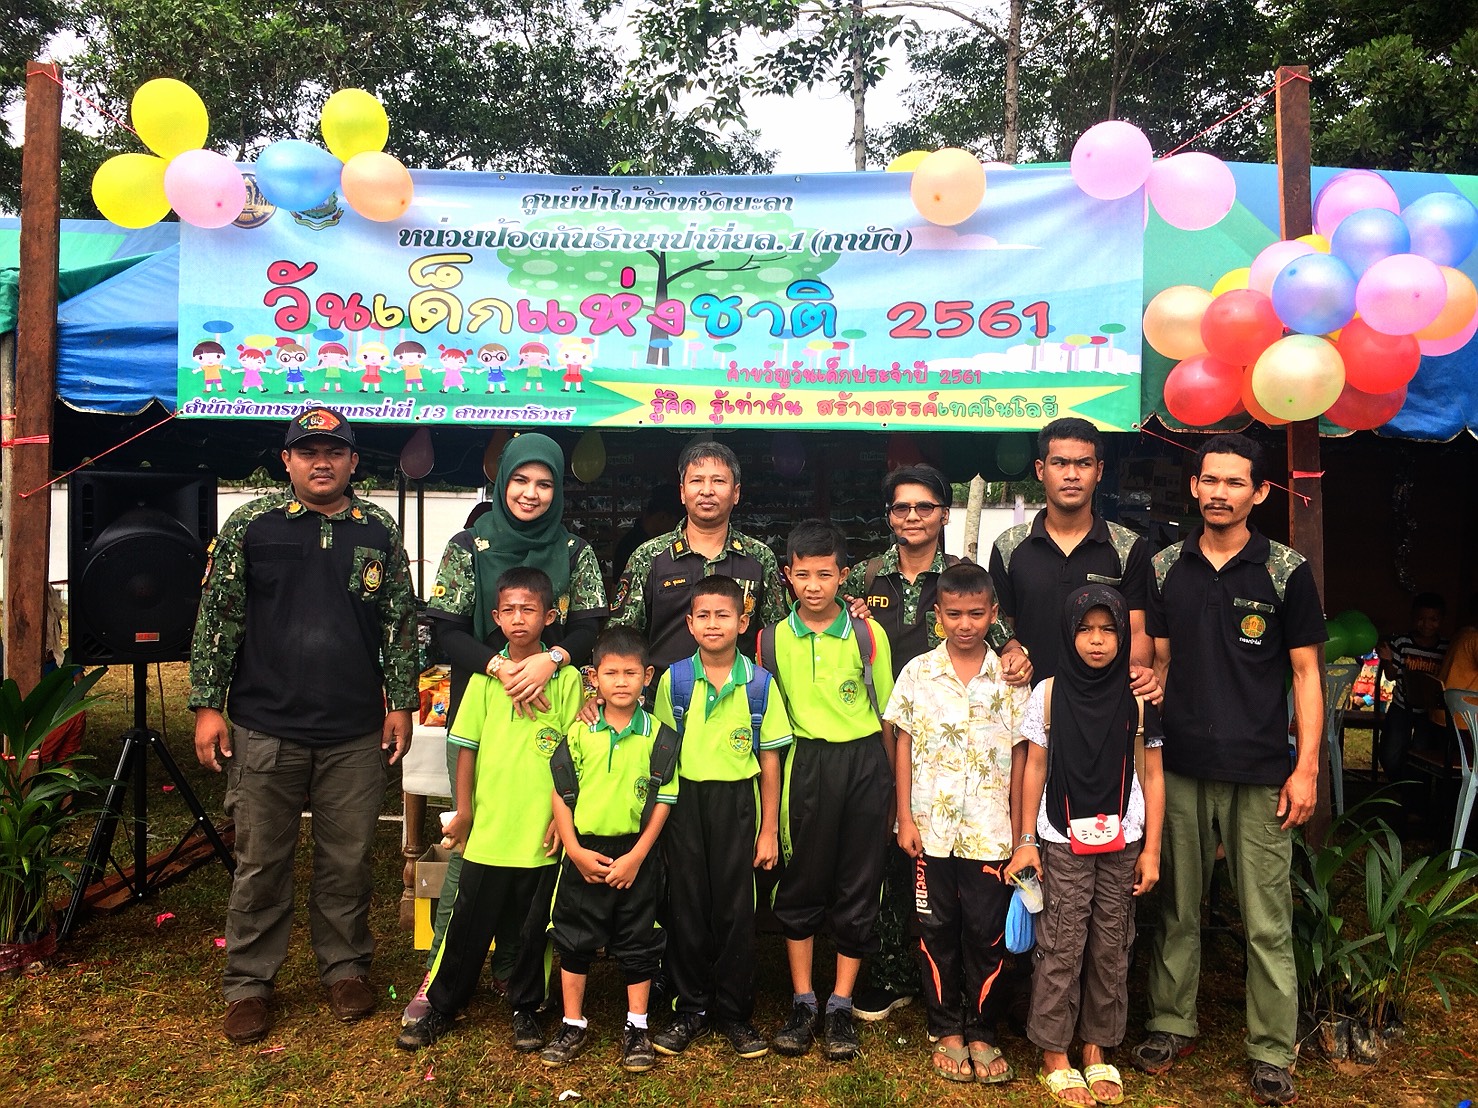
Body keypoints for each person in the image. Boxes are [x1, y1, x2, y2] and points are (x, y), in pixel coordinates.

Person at [189, 407, 417, 1045]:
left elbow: (398, 622)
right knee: (261, 861)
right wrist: (207, 705)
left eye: (335, 452)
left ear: (353, 462)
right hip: (266, 725)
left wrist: (401, 701)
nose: (322, 462)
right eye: (309, 451)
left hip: (353, 731)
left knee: (347, 861)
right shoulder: (251, 525)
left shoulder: (377, 529)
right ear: (286, 460)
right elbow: (218, 618)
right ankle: (249, 983)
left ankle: (345, 968)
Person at [1132, 433, 1325, 1108]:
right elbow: (1159, 661)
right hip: (1180, 764)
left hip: (1262, 769)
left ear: (1259, 492)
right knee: (1178, 907)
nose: (1219, 493)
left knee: (1265, 917)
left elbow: (1306, 674)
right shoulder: (1165, 567)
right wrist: (1147, 687)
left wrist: (1306, 769)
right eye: (1209, 480)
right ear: (1194, 486)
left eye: (1234, 482)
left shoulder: (1284, 570)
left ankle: (1271, 1049)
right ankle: (1169, 1022)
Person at [405, 433, 606, 1025]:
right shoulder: (469, 545)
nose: (531, 493)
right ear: (502, 481)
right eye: (521, 480)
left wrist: (551, 661)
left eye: (545, 483)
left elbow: (591, 626)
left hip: (554, 701)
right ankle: (441, 974)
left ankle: (519, 975)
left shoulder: (574, 550)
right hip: (484, 703)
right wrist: (500, 668)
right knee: (471, 844)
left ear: (558, 490)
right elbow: (445, 629)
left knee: (542, 846)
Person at [842, 463, 1032, 1022]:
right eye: (901, 507)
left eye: (924, 506)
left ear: (944, 514)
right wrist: (846, 615)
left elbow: (1002, 638)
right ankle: (893, 973)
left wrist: (1017, 654)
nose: (913, 516)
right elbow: (821, 620)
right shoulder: (864, 578)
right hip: (873, 733)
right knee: (887, 856)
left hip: (950, 751)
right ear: (889, 516)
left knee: (943, 868)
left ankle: (962, 987)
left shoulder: (963, 577)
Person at [394, 567, 586, 1053]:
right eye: (509, 611)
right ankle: (443, 1004)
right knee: (465, 924)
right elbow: (465, 748)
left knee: (533, 928)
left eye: (529, 610)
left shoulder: (565, 682)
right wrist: (464, 810)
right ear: (496, 617)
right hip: (489, 830)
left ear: (549, 617)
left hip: (540, 833)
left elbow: (572, 756)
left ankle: (526, 1007)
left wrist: (561, 818)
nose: (519, 619)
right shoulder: (484, 680)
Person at [1009, 585, 1164, 1107]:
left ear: (1123, 636)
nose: (1097, 641)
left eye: (1109, 630)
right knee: (1061, 940)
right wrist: (1025, 841)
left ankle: (1097, 1046)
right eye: (1085, 629)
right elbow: (1033, 767)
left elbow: (1154, 775)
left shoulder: (1139, 697)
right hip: (1061, 837)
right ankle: (1054, 1051)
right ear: (1068, 632)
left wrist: (1152, 850)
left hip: (1124, 837)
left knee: (1112, 943)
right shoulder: (1048, 694)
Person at [887, 562, 1029, 1084]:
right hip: (930, 830)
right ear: (937, 615)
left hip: (991, 833)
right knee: (935, 929)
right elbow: (901, 745)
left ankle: (982, 1030)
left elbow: (1022, 757)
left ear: (993, 613)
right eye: (953, 614)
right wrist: (904, 816)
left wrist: (1021, 834)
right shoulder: (918, 673)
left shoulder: (1011, 680)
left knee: (986, 934)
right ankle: (946, 1028)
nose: (964, 624)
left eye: (975, 613)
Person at [762, 520, 895, 1062]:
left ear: (844, 576)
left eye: (825, 574)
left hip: (863, 762)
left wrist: (892, 790)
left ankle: (841, 1003)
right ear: (787, 575)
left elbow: (887, 716)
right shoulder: (771, 638)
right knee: (803, 878)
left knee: (859, 880)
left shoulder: (868, 633)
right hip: (805, 762)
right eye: (803, 575)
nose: (813, 585)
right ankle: (802, 1001)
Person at [648, 576, 792, 1060]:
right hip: (685, 804)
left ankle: (734, 1012)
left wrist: (768, 830)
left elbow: (769, 760)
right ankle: (690, 1008)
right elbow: (662, 757)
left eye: (723, 615)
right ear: (689, 624)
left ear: (743, 622)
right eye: (703, 616)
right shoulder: (674, 681)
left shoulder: (759, 684)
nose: (713, 624)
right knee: (686, 905)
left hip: (737, 804)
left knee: (735, 909)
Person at [542, 628, 678, 1074]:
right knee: (574, 937)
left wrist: (637, 857)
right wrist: (574, 850)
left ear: (647, 677)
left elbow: (664, 800)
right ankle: (572, 1023)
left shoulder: (660, 737)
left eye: (631, 673)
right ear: (593, 678)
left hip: (636, 853)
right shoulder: (579, 732)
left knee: (639, 939)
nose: (621, 682)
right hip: (585, 850)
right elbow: (561, 792)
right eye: (611, 673)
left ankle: (637, 1026)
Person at [987, 418, 1156, 689]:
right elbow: (1001, 625)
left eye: (1084, 464)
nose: (1072, 475)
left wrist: (1135, 673)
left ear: (1099, 471)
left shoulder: (1127, 547)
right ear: (1040, 469)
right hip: (1026, 699)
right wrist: (1012, 651)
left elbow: (1136, 630)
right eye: (1060, 463)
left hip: (1101, 701)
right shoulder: (1008, 546)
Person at [610, 440, 787, 678]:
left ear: (736, 493)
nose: (707, 490)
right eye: (697, 481)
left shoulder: (759, 558)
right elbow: (621, 637)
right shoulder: (649, 556)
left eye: (718, 481)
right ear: (682, 492)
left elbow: (775, 638)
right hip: (664, 694)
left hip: (739, 693)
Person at [1376, 591, 1449, 778]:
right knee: (1390, 753)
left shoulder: (1445, 648)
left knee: (1421, 753)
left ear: (1442, 620)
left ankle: (1413, 789)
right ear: (1413, 618)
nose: (1426, 624)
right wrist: (1387, 660)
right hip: (1402, 706)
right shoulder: (1402, 643)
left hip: (1429, 712)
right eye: (1421, 619)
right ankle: (1398, 784)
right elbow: (1391, 676)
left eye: (1433, 619)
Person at [612, 484, 682, 585]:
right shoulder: (630, 546)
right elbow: (619, 587)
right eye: (675, 521)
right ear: (663, 517)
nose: (677, 527)